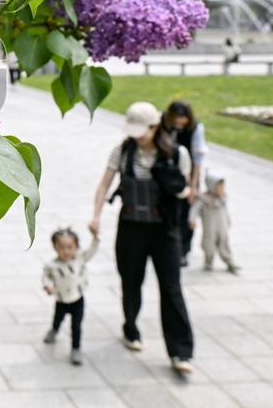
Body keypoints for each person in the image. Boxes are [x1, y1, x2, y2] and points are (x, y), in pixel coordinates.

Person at [89, 101, 195, 375]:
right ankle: (131, 329)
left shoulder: (177, 154)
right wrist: (96, 215)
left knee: (171, 287)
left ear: (155, 126)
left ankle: (180, 352)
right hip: (132, 226)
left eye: (143, 131)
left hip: (165, 229)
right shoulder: (123, 151)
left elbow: (185, 190)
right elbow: (104, 184)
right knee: (131, 280)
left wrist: (182, 196)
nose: (137, 136)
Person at [42, 228, 98, 366]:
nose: (66, 251)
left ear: (76, 247)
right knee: (58, 318)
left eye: (70, 247)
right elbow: (46, 277)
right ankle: (54, 329)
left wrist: (95, 238)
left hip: (78, 299)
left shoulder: (80, 259)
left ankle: (76, 349)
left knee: (76, 326)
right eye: (61, 248)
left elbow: (91, 251)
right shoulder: (52, 265)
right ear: (55, 247)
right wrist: (48, 286)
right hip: (61, 300)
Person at [163, 101, 207, 267]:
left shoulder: (195, 129)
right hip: (167, 176)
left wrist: (194, 186)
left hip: (188, 177)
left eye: (182, 119)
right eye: (176, 119)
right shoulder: (163, 124)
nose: (179, 123)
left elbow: (198, 159)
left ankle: (183, 251)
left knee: (187, 215)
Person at [190, 174, 238, 273]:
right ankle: (209, 260)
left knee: (224, 243)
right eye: (219, 187)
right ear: (212, 187)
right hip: (209, 229)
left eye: (223, 187)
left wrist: (228, 220)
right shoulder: (203, 199)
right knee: (208, 245)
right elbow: (194, 210)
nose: (222, 189)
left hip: (222, 227)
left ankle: (229, 261)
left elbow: (225, 211)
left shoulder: (222, 199)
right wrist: (192, 220)